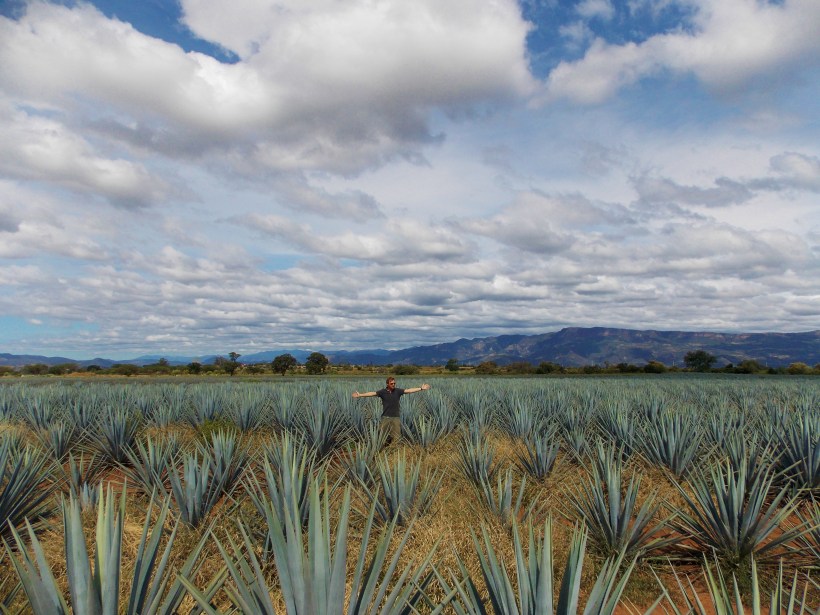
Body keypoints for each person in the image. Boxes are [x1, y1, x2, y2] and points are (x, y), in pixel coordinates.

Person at [353, 377, 431, 445]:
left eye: (394, 383)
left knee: (397, 436)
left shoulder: (398, 391)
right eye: (391, 383)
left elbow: (409, 390)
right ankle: (380, 448)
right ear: (387, 384)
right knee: (381, 435)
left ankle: (395, 451)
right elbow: (372, 393)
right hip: (385, 417)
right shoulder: (382, 392)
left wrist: (420, 388)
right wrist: (360, 395)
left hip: (395, 417)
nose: (393, 385)